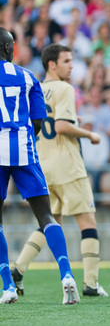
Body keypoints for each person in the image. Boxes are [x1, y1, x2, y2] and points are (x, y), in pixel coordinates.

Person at [12, 44, 106, 298]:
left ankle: (18, 268)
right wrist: (89, 134)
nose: (71, 65)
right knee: (87, 221)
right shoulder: (64, 88)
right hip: (68, 166)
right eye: (66, 60)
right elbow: (62, 126)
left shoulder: (34, 88)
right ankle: (91, 283)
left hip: (43, 163)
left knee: (49, 222)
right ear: (51, 64)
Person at [0, 29, 78, 304]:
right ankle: (67, 274)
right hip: (24, 149)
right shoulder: (28, 76)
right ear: (10, 49)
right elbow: (39, 121)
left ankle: (8, 286)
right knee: (46, 216)